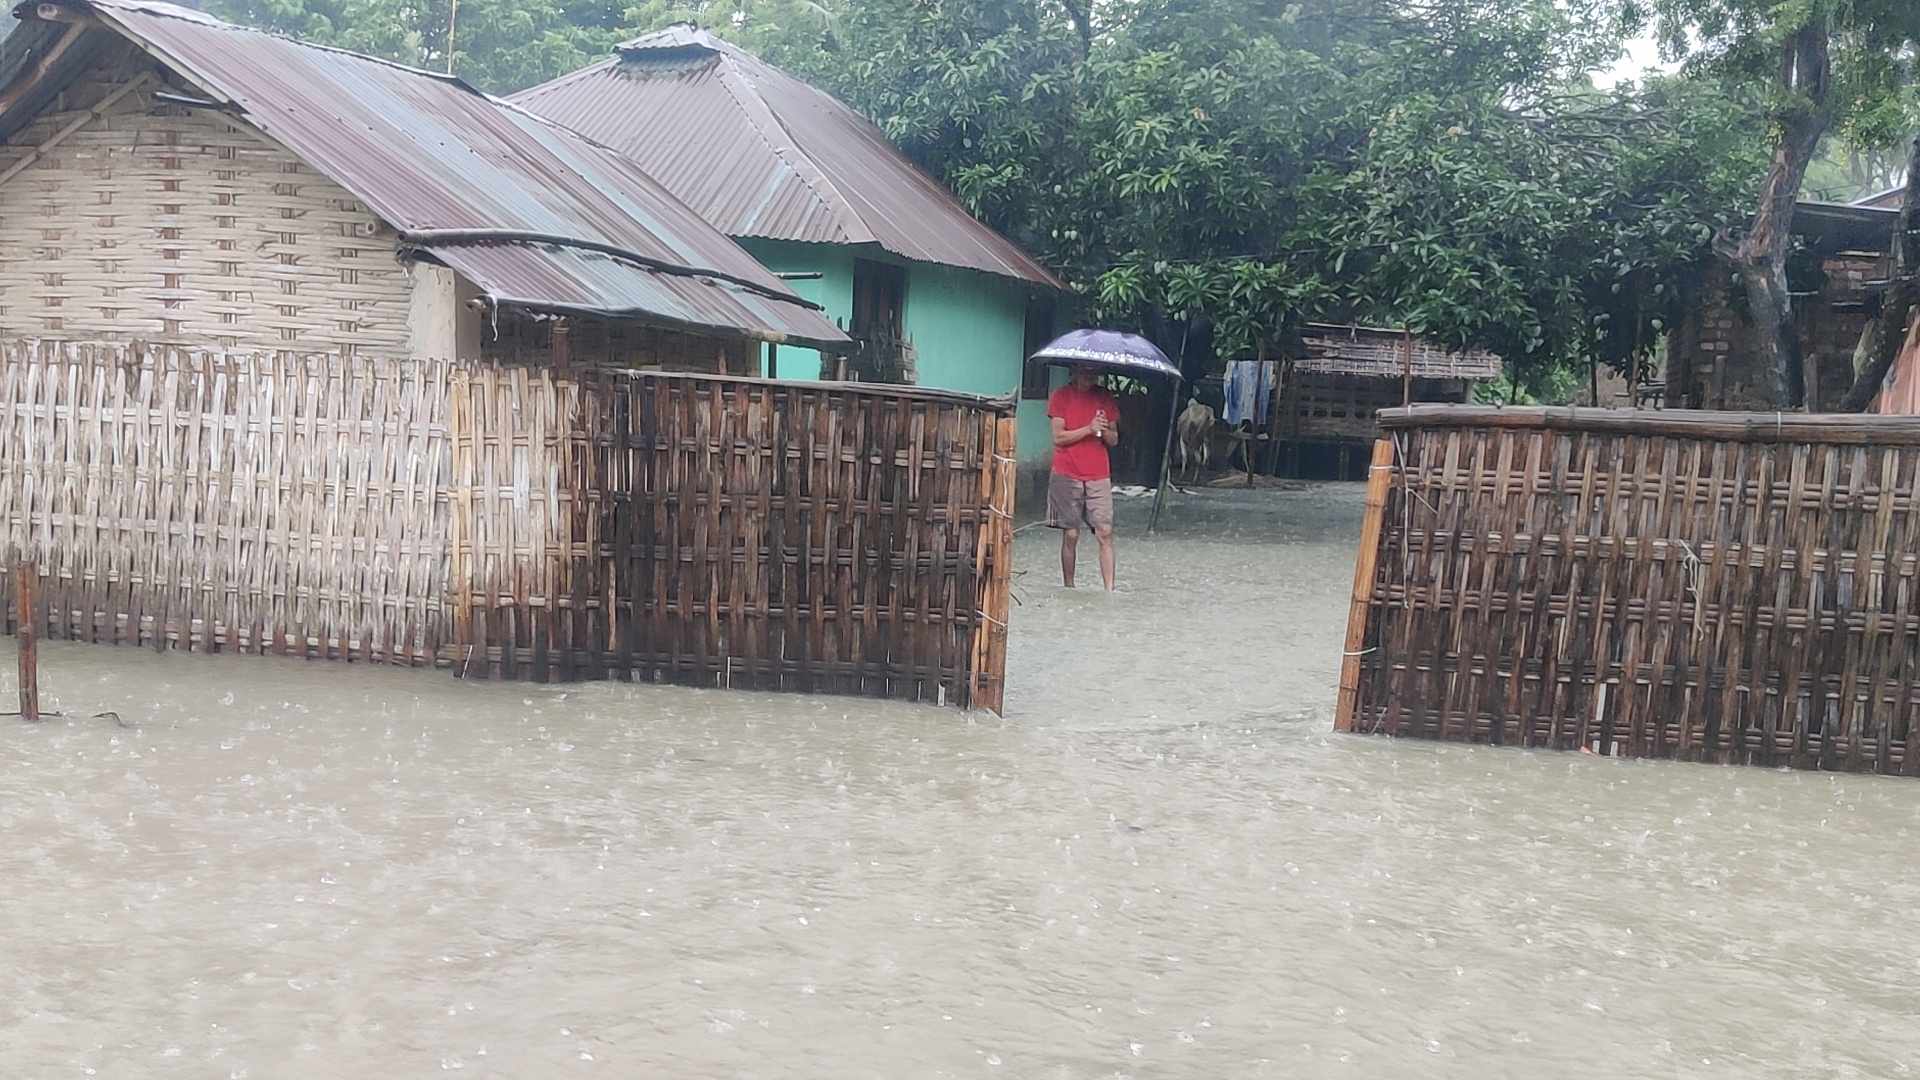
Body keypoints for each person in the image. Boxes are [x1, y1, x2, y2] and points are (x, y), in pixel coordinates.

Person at [1046, 365, 1121, 589]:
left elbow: (1114, 439)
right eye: (1084, 370)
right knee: (1071, 534)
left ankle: (1110, 589)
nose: (1089, 374)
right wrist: (1088, 429)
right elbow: (1058, 437)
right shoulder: (1060, 396)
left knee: (1105, 532)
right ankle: (1069, 587)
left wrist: (1103, 430)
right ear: (1074, 372)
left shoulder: (1105, 397)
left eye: (1093, 371)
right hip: (1067, 471)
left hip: (1099, 473)